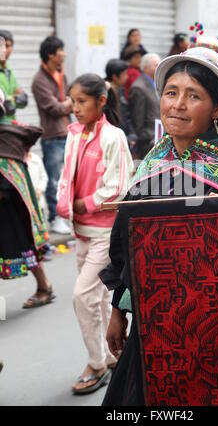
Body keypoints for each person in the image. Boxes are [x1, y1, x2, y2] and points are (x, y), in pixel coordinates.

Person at [100, 45, 218, 406]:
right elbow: (127, 245)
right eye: (171, 93)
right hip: (155, 328)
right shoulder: (155, 162)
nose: (178, 105)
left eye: (194, 96)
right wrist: (118, 309)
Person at [56, 73, 134, 395]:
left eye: (81, 101)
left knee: (82, 296)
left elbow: (115, 188)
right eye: (72, 101)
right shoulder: (73, 134)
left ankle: (96, 363)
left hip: (104, 233)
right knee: (97, 299)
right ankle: (109, 356)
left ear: (101, 101)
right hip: (81, 231)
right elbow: (65, 176)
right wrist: (64, 205)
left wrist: (80, 203)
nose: (75, 108)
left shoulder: (113, 137)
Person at [0, 88, 55, 308]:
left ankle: (44, 287)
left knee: (26, 247)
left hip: (10, 210)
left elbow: (10, 178)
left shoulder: (7, 137)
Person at [32, 36, 73, 235]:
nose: (64, 54)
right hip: (52, 136)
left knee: (68, 178)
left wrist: (67, 103)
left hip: (67, 132)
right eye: (60, 51)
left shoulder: (61, 74)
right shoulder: (39, 80)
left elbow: (68, 100)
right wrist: (68, 103)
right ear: (50, 54)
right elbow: (55, 108)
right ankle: (54, 218)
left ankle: (64, 215)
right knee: (53, 180)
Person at [128, 53, 161, 159]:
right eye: (156, 65)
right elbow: (137, 118)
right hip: (147, 140)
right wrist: (144, 138)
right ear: (145, 67)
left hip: (156, 136)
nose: (159, 67)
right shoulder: (139, 87)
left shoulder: (155, 83)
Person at [105, 58, 137, 152]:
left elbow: (126, 115)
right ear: (115, 76)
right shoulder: (106, 93)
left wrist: (131, 135)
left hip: (123, 136)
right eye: (124, 74)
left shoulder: (121, 90)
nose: (127, 77)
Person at [27, 150, 53, 261]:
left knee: (41, 228)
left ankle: (46, 249)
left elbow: (44, 177)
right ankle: (34, 251)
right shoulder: (17, 160)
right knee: (30, 229)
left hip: (38, 203)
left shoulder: (35, 159)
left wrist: (40, 189)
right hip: (26, 203)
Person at [0, 30, 28, 118]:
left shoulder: (8, 70)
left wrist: (11, 99)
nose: (4, 50)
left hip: (10, 124)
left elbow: (22, 97)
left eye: (8, 46)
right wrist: (14, 99)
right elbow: (3, 102)